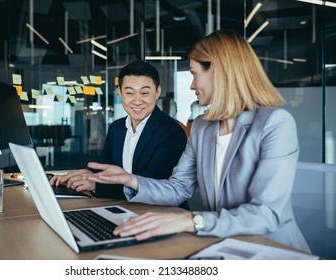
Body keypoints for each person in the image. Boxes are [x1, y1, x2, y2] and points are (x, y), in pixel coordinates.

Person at [83, 29, 311, 253]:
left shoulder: (275, 123)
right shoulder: (202, 126)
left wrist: (192, 221)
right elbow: (178, 188)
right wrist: (130, 180)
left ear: (218, 71)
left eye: (194, 73)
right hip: (220, 244)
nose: (192, 85)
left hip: (271, 250)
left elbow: (266, 214)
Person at [50, 60, 188, 206]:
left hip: (163, 214)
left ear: (157, 92)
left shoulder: (171, 132)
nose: (137, 100)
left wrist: (97, 185)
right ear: (120, 93)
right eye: (129, 93)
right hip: (125, 208)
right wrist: (84, 175)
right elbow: (104, 167)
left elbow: (150, 182)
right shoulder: (117, 128)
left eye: (145, 93)